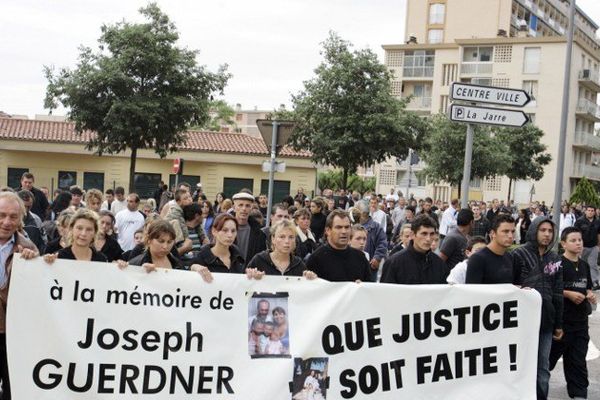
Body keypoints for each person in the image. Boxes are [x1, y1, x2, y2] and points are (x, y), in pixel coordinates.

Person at [512, 217, 563, 400]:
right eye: (543, 230)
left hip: (546, 322)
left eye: (550, 231)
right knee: (520, 366)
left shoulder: (555, 259)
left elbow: (558, 293)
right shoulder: (519, 254)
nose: (547, 234)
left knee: (542, 368)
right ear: (534, 230)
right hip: (521, 322)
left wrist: (558, 324)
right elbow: (512, 288)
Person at [549, 227, 597, 400]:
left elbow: (588, 288)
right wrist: (568, 293)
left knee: (577, 363)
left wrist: (590, 295)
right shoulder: (556, 264)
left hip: (580, 324)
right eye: (573, 240)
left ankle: (579, 395)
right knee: (547, 362)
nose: (578, 243)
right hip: (560, 325)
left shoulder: (584, 265)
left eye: (580, 240)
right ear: (563, 244)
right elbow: (547, 288)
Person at [0, 191, 39, 399]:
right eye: (2, 215)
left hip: (12, 333)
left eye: (13, 216)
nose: (7, 222)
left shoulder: (28, 249)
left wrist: (33, 265)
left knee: (12, 386)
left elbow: (36, 294)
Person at [306, 210, 372, 282]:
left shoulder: (360, 258)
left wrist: (362, 287)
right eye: (339, 227)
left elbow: (370, 287)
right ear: (328, 230)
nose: (344, 231)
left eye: (347, 227)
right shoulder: (316, 259)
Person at [381, 214, 449, 285]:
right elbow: (386, 292)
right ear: (412, 235)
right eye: (424, 234)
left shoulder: (439, 264)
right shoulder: (394, 263)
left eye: (432, 234)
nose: (428, 239)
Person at [466, 214, 517, 284]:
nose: (510, 236)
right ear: (493, 233)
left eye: (513, 231)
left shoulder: (510, 257)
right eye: (505, 231)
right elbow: (471, 291)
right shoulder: (478, 259)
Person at [355, 201, 387, 281]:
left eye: (357, 211)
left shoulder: (376, 227)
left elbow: (382, 243)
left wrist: (377, 258)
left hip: (370, 266)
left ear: (364, 214)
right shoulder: (352, 225)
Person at [231, 192, 266, 264]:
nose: (244, 209)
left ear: (251, 208)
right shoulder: (223, 230)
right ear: (234, 208)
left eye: (247, 206)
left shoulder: (259, 234)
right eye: (240, 205)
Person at [574, 205, 600, 289]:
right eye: (589, 210)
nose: (590, 212)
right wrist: (578, 245)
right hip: (582, 247)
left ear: (594, 212)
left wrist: (598, 245)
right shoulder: (579, 221)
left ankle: (595, 282)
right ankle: (580, 281)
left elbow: (599, 234)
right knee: (581, 264)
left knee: (593, 265)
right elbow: (576, 234)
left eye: (592, 210)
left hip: (593, 246)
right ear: (585, 211)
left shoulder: (598, 221)